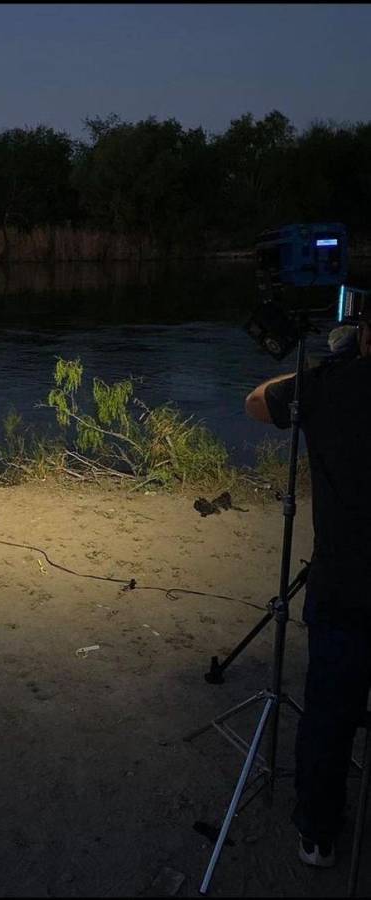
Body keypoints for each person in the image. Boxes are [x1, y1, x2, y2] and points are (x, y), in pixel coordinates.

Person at [245, 318, 371, 869]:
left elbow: (256, 403)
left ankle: (317, 833)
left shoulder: (330, 386)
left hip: (345, 586)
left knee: (328, 713)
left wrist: (327, 366)